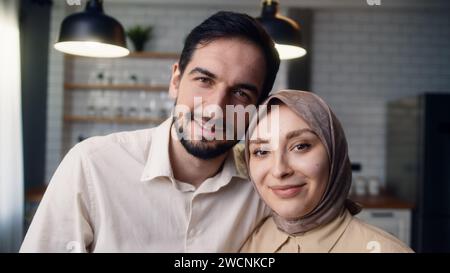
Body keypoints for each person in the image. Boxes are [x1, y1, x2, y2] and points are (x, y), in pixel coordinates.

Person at [21, 11, 280, 252]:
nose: (215, 109)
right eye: (204, 80)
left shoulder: (266, 185)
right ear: (175, 80)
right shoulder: (91, 164)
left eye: (240, 93)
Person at [241, 90, 413, 253]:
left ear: (334, 154)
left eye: (301, 146)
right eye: (261, 151)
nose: (279, 170)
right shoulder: (244, 242)